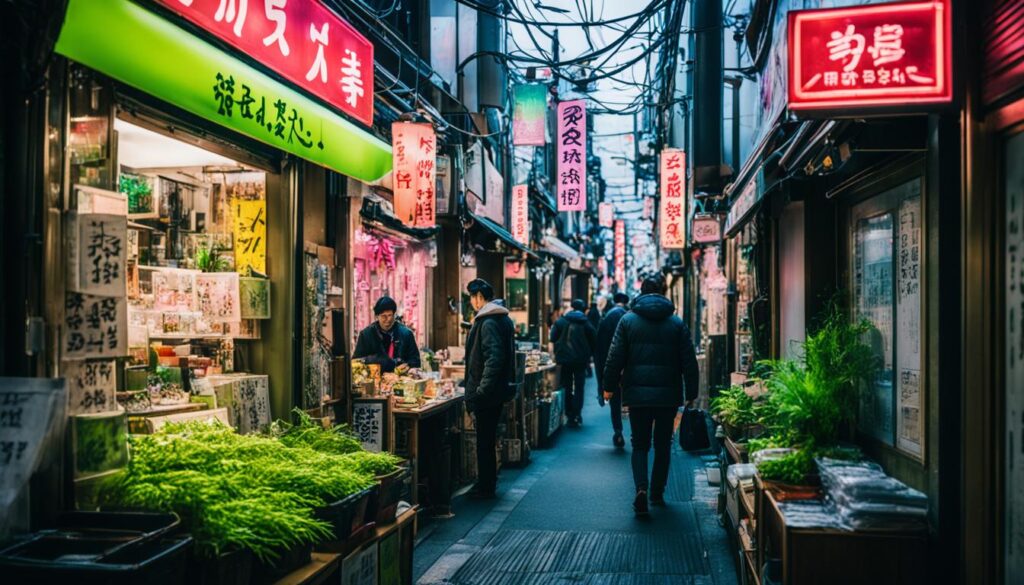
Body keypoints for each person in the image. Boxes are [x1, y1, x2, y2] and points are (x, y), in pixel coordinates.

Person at [603, 274, 699, 516]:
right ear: (663, 293)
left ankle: (641, 489)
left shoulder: (627, 321)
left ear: (641, 292)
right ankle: (657, 492)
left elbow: (615, 357)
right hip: (668, 395)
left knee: (639, 443)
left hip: (637, 393)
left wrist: (609, 386)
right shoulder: (676, 323)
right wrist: (692, 391)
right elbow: (689, 361)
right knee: (663, 444)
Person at [463, 278, 516, 499]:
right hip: (495, 391)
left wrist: (481, 390)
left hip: (488, 394)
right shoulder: (500, 318)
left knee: (484, 440)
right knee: (487, 438)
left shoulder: (489, 321)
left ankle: (485, 485)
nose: (472, 303)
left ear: (479, 297)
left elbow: (494, 359)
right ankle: (487, 482)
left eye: (472, 298)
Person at [550, 299, 597, 427]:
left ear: (571, 307)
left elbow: (552, 337)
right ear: (583, 308)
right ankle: (577, 413)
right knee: (580, 387)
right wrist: (589, 354)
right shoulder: (586, 323)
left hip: (565, 359)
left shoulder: (562, 320)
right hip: (581, 360)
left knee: (567, 385)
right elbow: (594, 339)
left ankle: (568, 412)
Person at [594, 292, 631, 448]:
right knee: (632, 399)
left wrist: (602, 377)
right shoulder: (631, 317)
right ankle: (635, 432)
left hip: (612, 364)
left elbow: (600, 348)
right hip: (629, 367)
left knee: (614, 399)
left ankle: (618, 431)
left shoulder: (607, 318)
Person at [353, 296, 420, 373]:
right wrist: (375, 360)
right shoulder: (365, 335)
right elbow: (356, 361)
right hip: (373, 379)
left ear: (394, 314)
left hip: (401, 380)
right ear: (377, 316)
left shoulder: (407, 334)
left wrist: (410, 368)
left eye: (390, 315)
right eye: (383, 316)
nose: (388, 320)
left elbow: (415, 362)